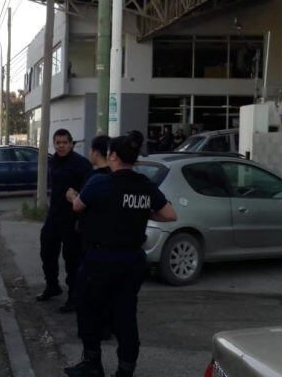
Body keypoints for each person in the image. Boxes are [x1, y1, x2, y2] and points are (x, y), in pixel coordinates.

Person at [64, 131, 177, 377]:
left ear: (113, 156)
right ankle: (125, 370)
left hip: (100, 260)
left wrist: (72, 194)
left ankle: (92, 364)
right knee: (125, 315)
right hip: (132, 261)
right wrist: (140, 212)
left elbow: (78, 206)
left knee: (89, 309)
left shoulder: (100, 183)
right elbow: (170, 214)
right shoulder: (144, 185)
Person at [37, 129, 92, 314]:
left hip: (73, 217)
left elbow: (88, 194)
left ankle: (74, 298)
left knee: (72, 259)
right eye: (57, 142)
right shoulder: (52, 161)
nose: (60, 146)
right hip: (54, 215)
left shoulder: (82, 165)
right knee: (47, 250)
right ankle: (52, 285)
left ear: (71, 144)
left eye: (64, 142)